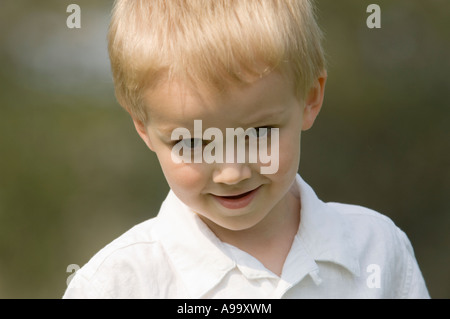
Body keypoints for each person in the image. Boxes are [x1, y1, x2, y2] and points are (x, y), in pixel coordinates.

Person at [63, 0, 429, 298]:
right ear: (143, 126)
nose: (232, 171)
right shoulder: (116, 285)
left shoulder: (378, 250)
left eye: (259, 133)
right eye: (192, 142)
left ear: (309, 98)